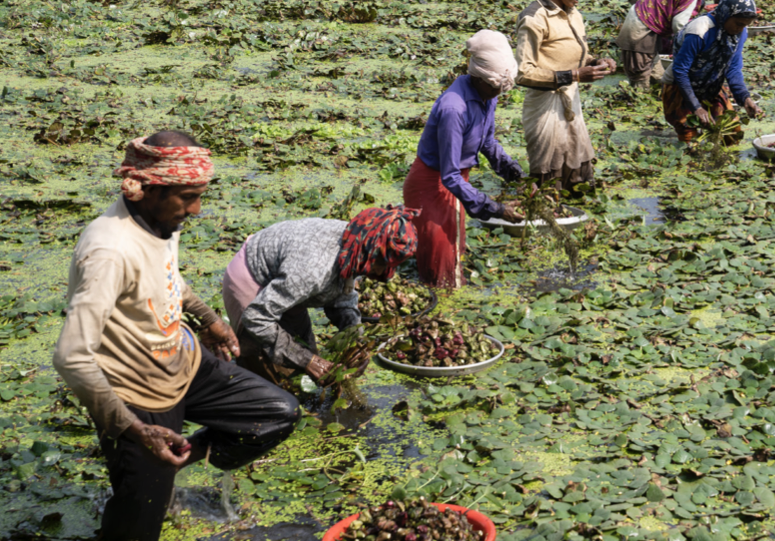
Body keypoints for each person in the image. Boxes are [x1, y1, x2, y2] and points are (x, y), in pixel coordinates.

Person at [52, 132, 299, 541]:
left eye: (199, 195)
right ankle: (145, 472)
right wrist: (136, 431)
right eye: (188, 196)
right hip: (136, 396)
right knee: (136, 530)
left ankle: (178, 460)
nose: (196, 209)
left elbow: (168, 277)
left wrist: (207, 319)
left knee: (276, 414)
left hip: (183, 362)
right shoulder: (109, 251)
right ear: (145, 190)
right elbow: (71, 356)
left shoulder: (162, 221)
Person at [222, 204, 419, 381]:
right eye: (382, 264)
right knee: (268, 375)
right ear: (368, 251)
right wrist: (306, 360)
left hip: (289, 284)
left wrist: (355, 341)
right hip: (252, 279)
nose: (383, 274)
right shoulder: (314, 269)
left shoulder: (357, 245)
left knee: (306, 358)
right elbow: (256, 318)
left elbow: (345, 294)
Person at [403, 30, 526, 287]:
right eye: (495, 88)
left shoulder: (486, 96)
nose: (498, 94)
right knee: (440, 265)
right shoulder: (453, 108)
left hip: (457, 183)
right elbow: (449, 176)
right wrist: (497, 209)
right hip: (432, 184)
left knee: (454, 254)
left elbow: (488, 142)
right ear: (479, 77)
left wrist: (518, 176)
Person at [515, 0, 616, 190]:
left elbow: (575, 55)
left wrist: (596, 62)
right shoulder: (535, 17)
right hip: (545, 108)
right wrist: (574, 75)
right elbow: (524, 73)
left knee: (578, 178)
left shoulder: (574, 14)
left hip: (571, 103)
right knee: (549, 182)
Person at [660, 0, 763, 144]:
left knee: (731, 131)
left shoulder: (740, 33)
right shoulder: (700, 30)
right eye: (738, 24)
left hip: (711, 84)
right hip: (679, 86)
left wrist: (744, 98)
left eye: (745, 25)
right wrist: (696, 107)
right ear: (726, 14)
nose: (741, 29)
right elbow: (680, 71)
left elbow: (733, 68)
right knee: (689, 135)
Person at [616, 0, 723, 88]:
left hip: (641, 22)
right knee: (640, 82)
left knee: (660, 77)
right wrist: (692, 48)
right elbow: (679, 23)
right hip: (641, 31)